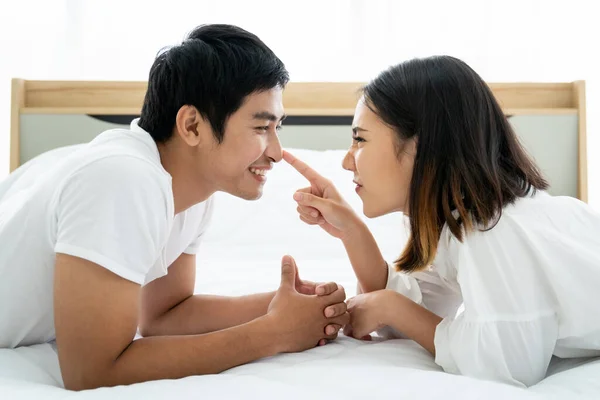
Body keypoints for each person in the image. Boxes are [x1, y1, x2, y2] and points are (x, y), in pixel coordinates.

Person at [0, 24, 349, 390]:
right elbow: (91, 373)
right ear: (192, 126)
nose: (276, 152)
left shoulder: (191, 192)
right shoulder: (121, 178)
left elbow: (165, 315)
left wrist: (284, 305)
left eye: (277, 128)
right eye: (261, 128)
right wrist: (273, 333)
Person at [284, 55, 600, 387]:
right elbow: (418, 306)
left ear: (421, 146)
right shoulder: (463, 222)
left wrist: (392, 307)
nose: (348, 161)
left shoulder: (493, 232)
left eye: (360, 139)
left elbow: (504, 364)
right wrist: (352, 232)